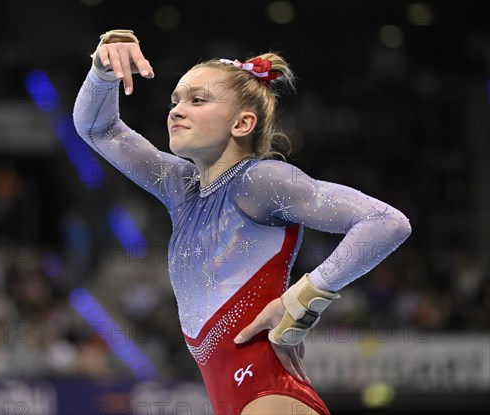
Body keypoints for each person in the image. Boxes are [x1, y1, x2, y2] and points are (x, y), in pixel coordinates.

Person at [73, 29, 411, 415]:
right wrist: (102, 70)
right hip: (234, 402)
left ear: (242, 124)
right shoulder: (180, 188)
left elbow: (386, 221)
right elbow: (97, 128)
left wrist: (302, 298)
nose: (177, 109)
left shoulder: (259, 181)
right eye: (175, 100)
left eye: (198, 100)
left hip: (270, 397)